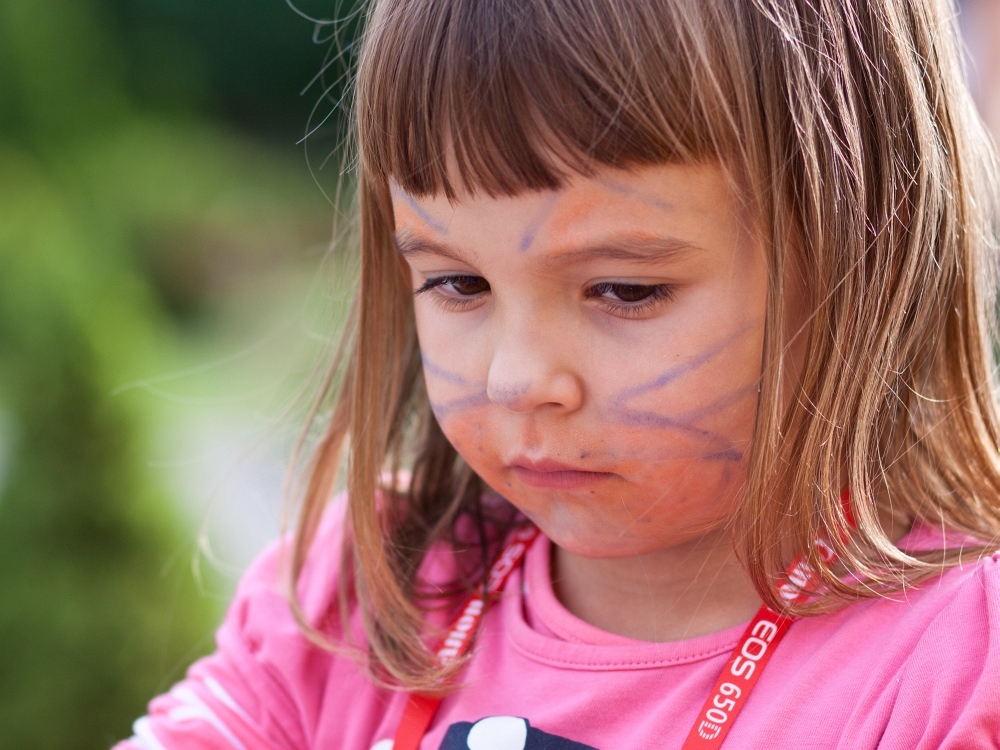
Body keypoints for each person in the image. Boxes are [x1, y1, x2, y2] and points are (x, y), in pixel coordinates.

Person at [116, 0, 1000, 748]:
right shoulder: (363, 589)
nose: (516, 377)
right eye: (459, 282)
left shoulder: (958, 664)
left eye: (624, 288)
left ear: (867, 252)